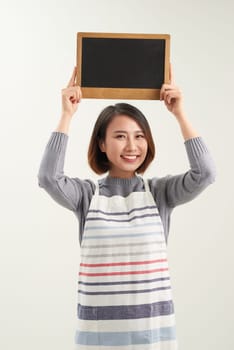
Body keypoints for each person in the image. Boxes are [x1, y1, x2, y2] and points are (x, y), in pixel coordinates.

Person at [37, 65, 216, 349]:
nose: (132, 145)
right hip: (99, 337)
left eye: (139, 136)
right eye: (120, 136)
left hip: (152, 336)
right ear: (103, 144)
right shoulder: (87, 196)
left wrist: (180, 113)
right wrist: (66, 115)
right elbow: (48, 178)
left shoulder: (160, 193)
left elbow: (205, 173)